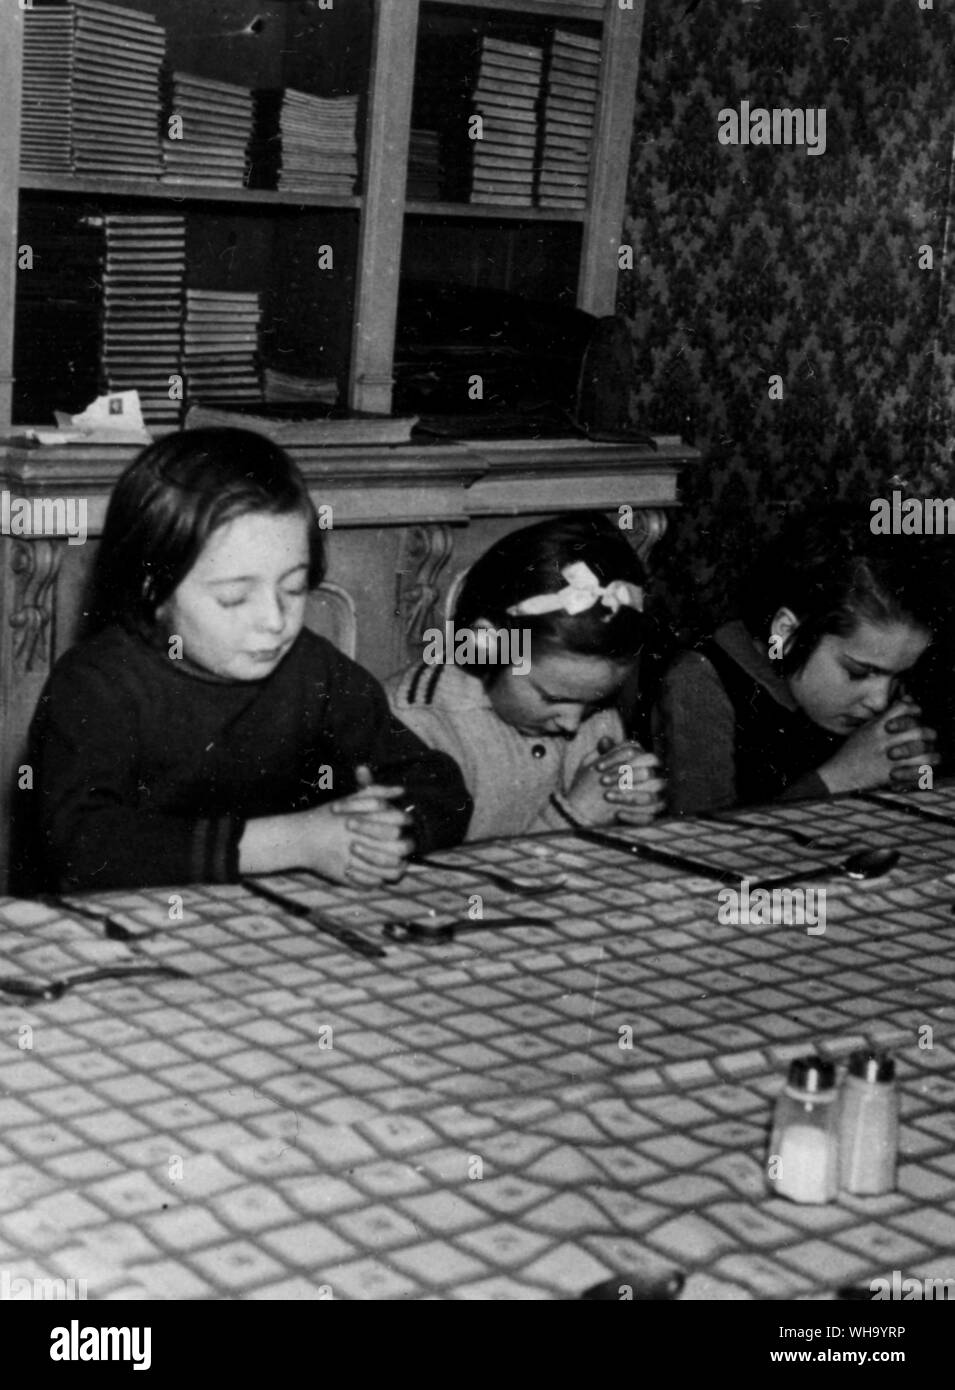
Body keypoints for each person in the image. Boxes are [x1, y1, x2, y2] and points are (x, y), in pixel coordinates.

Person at [27, 428, 472, 892]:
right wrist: (295, 842)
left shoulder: (312, 669)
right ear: (152, 591)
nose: (275, 620)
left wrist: (386, 829)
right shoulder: (96, 683)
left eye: (294, 588)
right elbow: (82, 846)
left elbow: (439, 787)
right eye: (235, 598)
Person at [386, 513, 665, 840]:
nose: (573, 724)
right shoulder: (416, 724)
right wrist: (574, 817)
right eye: (552, 698)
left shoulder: (588, 706)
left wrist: (630, 802)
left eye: (598, 700)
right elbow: (435, 886)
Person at [655, 505, 943, 816]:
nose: (879, 700)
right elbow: (701, 843)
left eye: (898, 677)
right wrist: (840, 779)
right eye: (858, 672)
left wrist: (910, 777)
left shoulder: (873, 691)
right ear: (787, 634)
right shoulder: (699, 680)